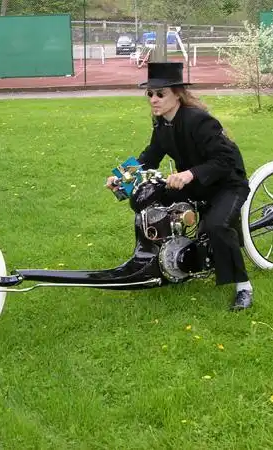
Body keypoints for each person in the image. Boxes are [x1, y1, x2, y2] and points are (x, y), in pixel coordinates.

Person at [106, 62, 253, 311]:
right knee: (147, 197)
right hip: (194, 182)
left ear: (177, 94)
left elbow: (226, 160)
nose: (153, 99)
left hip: (227, 184)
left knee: (217, 226)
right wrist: (120, 179)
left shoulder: (199, 121)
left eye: (160, 94)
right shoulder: (162, 123)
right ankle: (163, 259)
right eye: (150, 94)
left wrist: (189, 174)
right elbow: (150, 156)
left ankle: (243, 287)